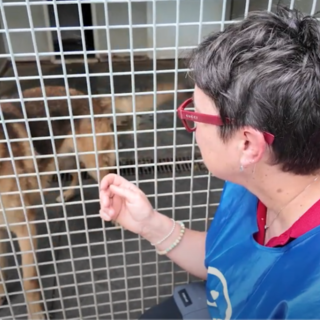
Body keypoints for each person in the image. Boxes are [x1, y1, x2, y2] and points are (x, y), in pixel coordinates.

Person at [99, 6, 320, 320]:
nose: (191, 128)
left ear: (248, 144)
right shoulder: (251, 179)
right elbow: (226, 260)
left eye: (195, 115)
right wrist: (149, 224)